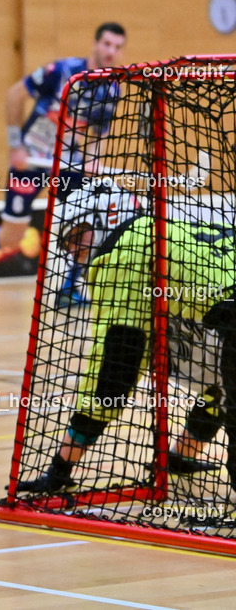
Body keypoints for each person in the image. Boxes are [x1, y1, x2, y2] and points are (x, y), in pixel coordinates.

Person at [14, 182, 236, 494]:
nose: (73, 251)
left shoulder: (121, 255)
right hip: (226, 313)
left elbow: (115, 369)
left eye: (78, 236)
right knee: (219, 379)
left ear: (110, 217)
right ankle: (179, 457)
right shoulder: (164, 229)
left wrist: (59, 470)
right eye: (66, 245)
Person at [0, 22, 127, 307]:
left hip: (67, 163)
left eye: (117, 47)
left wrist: (93, 161)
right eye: (106, 44)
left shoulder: (111, 90)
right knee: (11, 238)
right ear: (94, 44)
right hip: (31, 158)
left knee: (91, 219)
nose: (111, 51)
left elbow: (98, 135)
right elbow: (14, 95)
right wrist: (15, 145)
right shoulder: (61, 72)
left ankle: (69, 287)